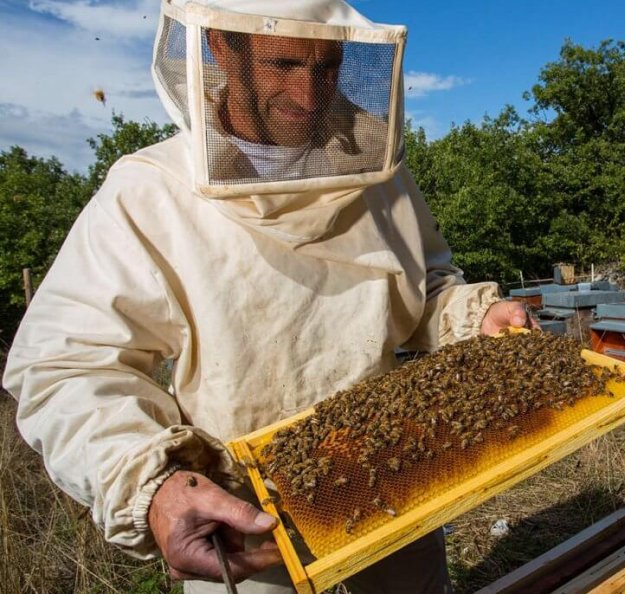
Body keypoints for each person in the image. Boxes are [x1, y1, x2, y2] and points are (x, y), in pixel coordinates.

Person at [2, 1, 535, 593]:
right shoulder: (147, 194)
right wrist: (151, 484)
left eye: (328, 67)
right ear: (221, 50)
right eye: (283, 63)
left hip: (395, 479)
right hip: (241, 520)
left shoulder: (375, 165)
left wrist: (473, 314)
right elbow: (65, 364)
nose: (310, 95)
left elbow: (422, 288)